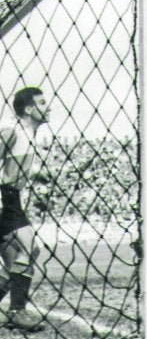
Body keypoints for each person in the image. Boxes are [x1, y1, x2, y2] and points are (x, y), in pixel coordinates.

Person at [0, 87, 50, 331]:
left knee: (17, 260)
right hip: (4, 198)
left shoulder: (29, 133)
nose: (48, 106)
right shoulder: (12, 130)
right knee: (29, 248)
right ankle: (17, 311)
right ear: (29, 109)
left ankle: (16, 311)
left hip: (11, 197)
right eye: (42, 103)